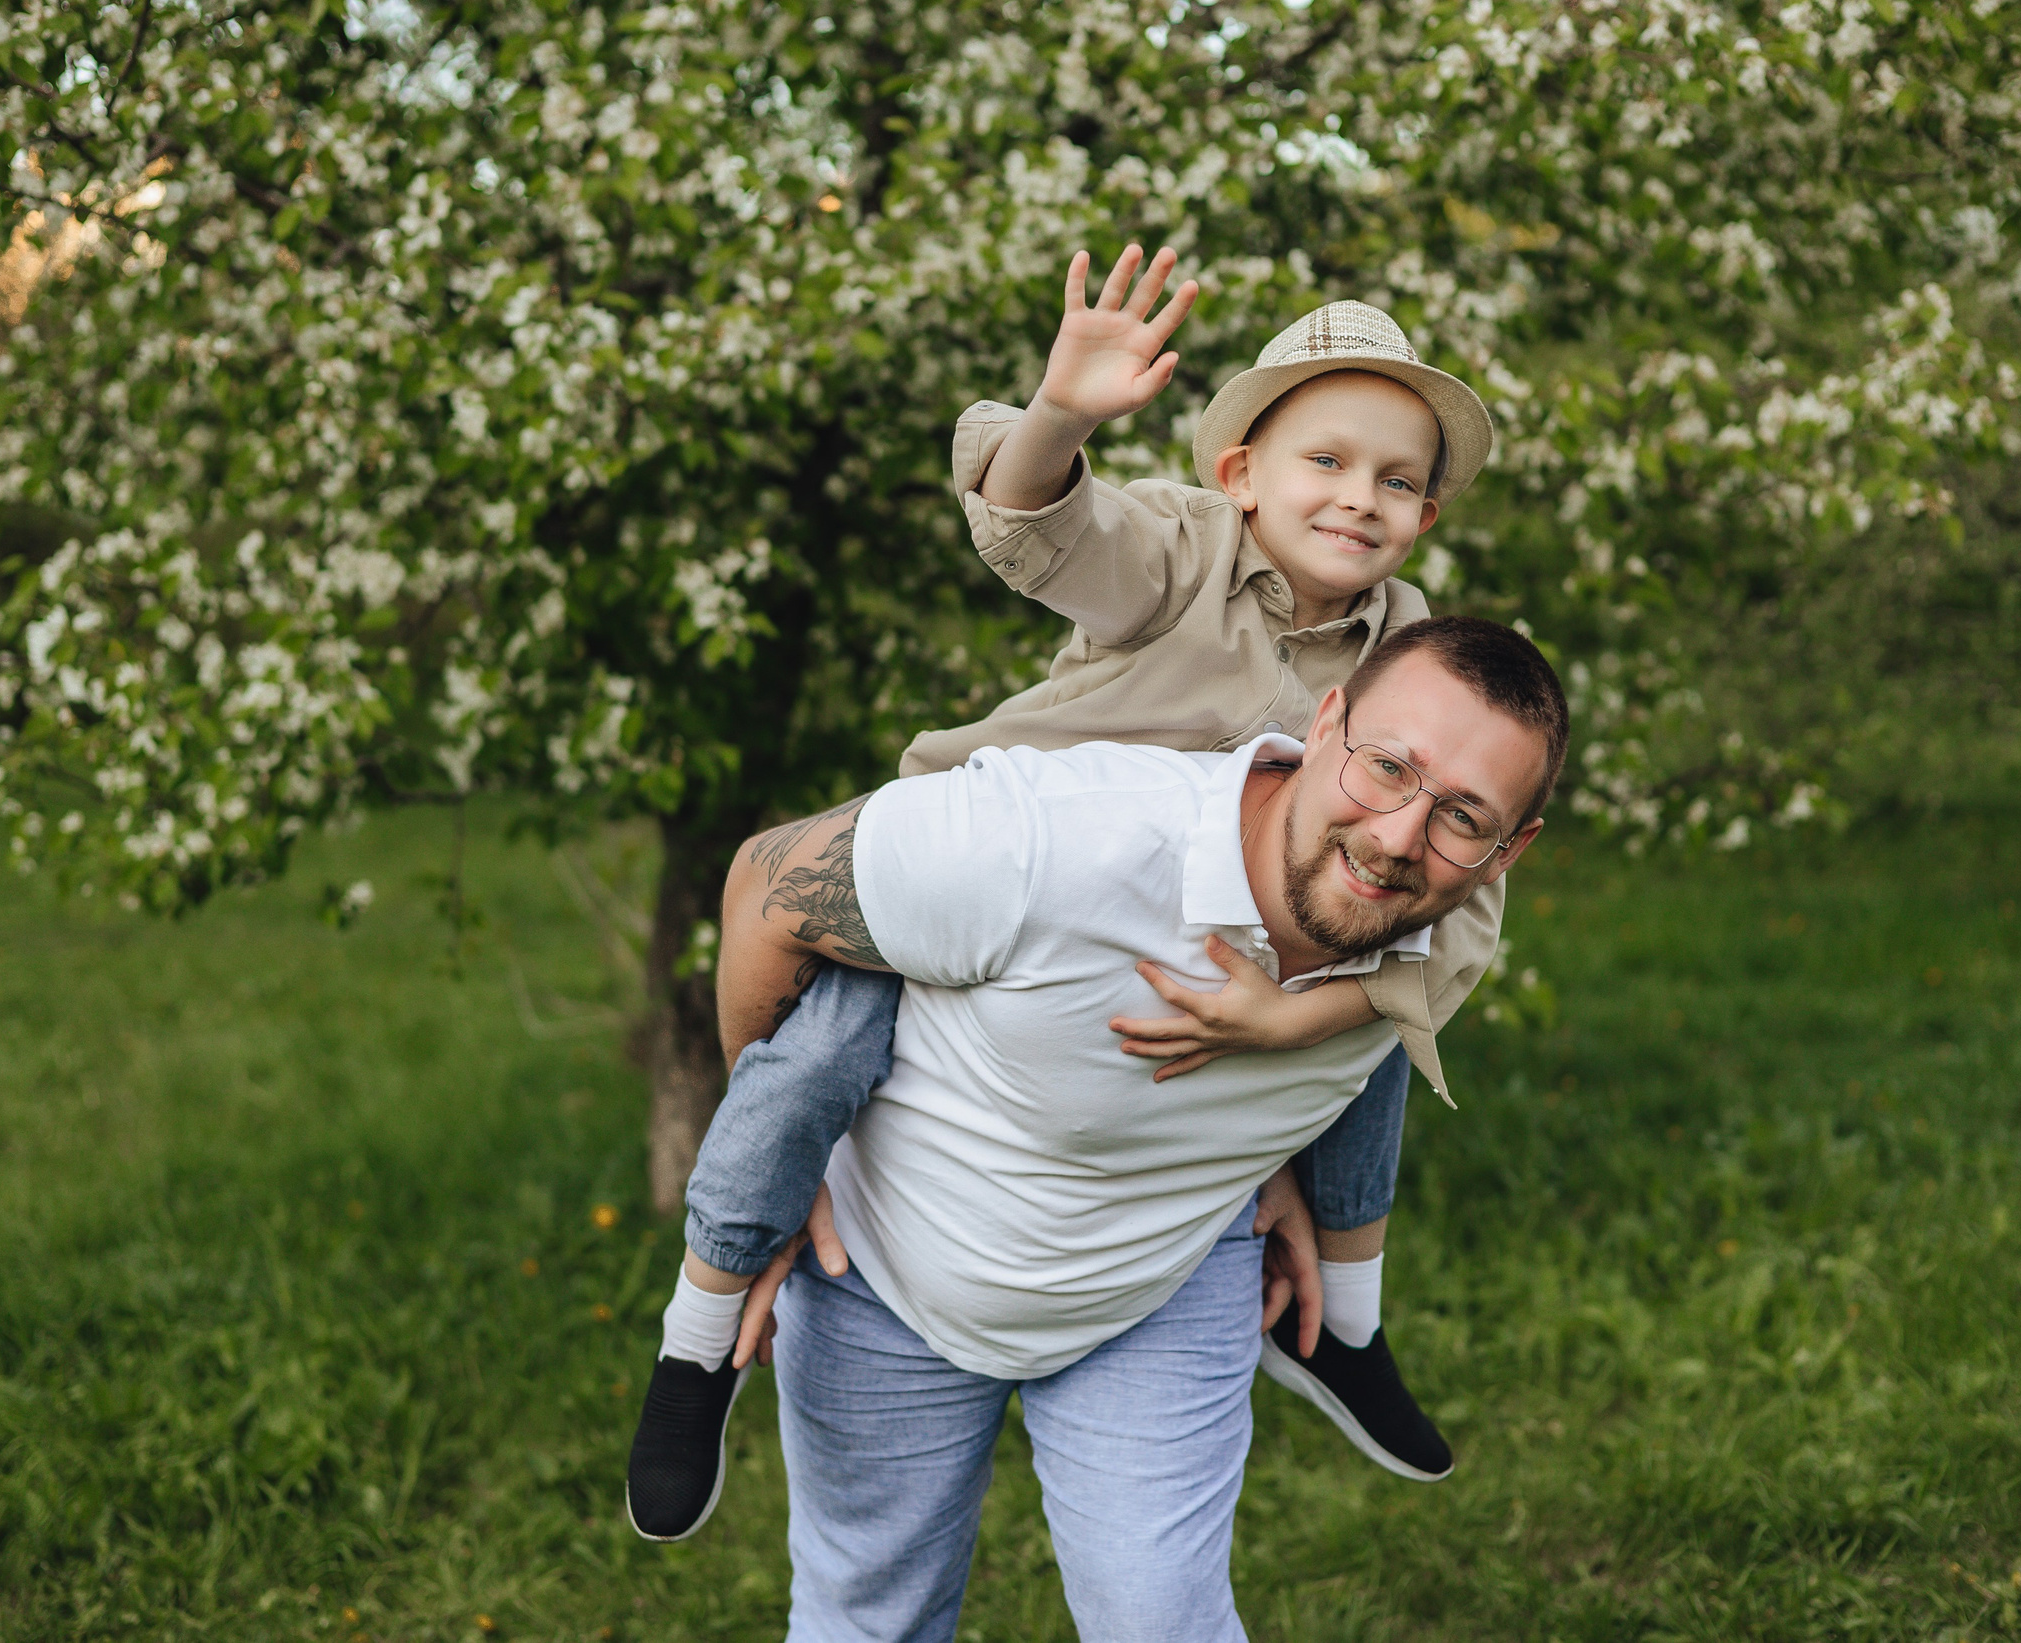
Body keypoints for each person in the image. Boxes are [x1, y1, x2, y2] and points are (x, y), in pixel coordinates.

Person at [626, 246, 1514, 1542]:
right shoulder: (1184, 552)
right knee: (817, 1053)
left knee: (1380, 1015)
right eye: (1324, 459)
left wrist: (1287, 1032)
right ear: (1241, 473)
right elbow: (1047, 535)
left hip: (1220, 913)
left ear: (1426, 518)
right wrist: (1061, 418)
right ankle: (698, 1336)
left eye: (1397, 480)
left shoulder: (1406, 640)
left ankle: (1351, 1324)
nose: (1359, 496)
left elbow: (1437, 875)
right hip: (999, 889)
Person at [719, 620, 1565, 1637]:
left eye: (1463, 816)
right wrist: (778, 1167)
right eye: (1387, 767)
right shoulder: (1047, 838)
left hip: (1161, 1280)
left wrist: (1282, 1173)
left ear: (1508, 851)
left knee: (1162, 1619)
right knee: (869, 1617)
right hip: (888, 1261)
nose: (1396, 838)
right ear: (1325, 721)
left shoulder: (1445, 938)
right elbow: (764, 886)